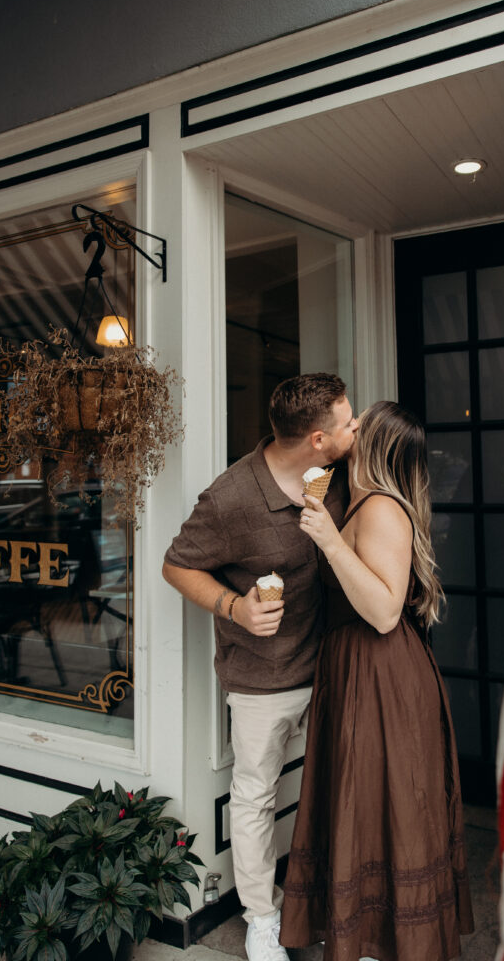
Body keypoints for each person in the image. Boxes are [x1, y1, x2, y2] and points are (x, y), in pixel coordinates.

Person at [162, 373, 357, 961]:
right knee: (254, 798)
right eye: (348, 422)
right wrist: (234, 608)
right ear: (318, 438)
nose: (358, 427)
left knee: (336, 789)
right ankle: (261, 918)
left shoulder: (337, 472)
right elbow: (176, 566)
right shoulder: (230, 498)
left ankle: (327, 901)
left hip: (333, 666)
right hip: (262, 680)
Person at [279, 400, 475, 961]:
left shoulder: (383, 509)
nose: (353, 428)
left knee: (378, 803)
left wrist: (330, 542)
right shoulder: (361, 500)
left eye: (362, 423)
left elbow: (386, 611)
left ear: (377, 444)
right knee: (363, 804)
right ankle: (370, 936)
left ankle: (377, 945)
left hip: (379, 670)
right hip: (358, 667)